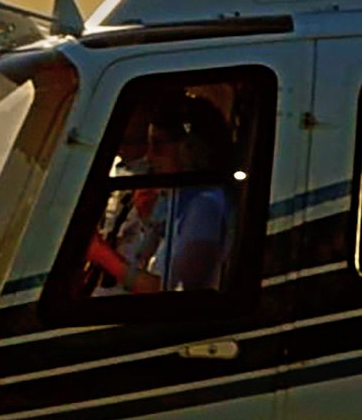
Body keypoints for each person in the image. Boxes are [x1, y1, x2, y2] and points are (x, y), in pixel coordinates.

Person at [71, 71, 257, 305]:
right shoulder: (180, 199)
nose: (149, 156)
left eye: (158, 146)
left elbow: (174, 292)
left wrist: (101, 254)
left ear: (189, 148)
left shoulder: (205, 207)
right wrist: (148, 219)